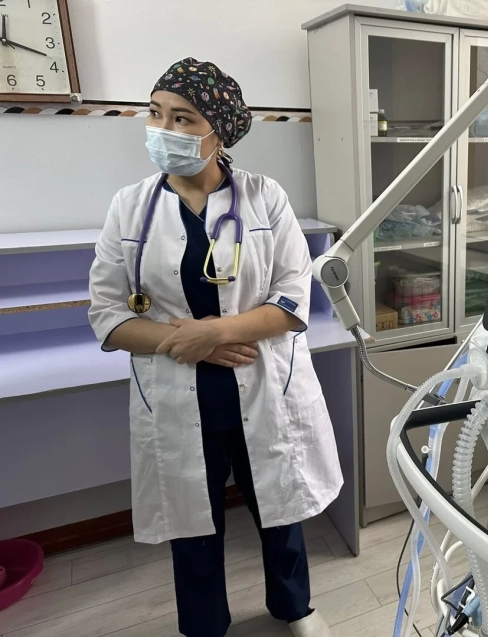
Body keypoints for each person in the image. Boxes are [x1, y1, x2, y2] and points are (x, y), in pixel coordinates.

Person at [88, 58, 342, 637]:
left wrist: (219, 333)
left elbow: (292, 300)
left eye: (183, 118)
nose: (163, 130)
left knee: (278, 509)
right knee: (192, 523)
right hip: (179, 389)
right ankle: (203, 625)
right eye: (156, 114)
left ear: (218, 131)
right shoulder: (129, 206)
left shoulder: (264, 197)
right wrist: (193, 344)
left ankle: (295, 608)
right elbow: (106, 315)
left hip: (260, 381)